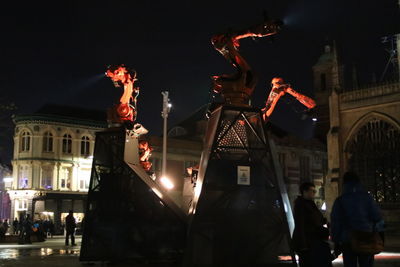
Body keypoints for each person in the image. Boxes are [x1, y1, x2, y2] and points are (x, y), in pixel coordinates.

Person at [331, 171, 384, 267]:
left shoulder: (340, 201)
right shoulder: (367, 198)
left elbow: (336, 222)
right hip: (366, 237)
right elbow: (377, 217)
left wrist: (336, 240)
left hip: (348, 240)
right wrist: (380, 234)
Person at [292, 182, 333, 267]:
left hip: (314, 240)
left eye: (315, 191)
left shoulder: (310, 203)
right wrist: (303, 246)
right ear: (305, 191)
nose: (314, 193)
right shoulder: (301, 205)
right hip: (309, 242)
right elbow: (300, 226)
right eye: (312, 191)